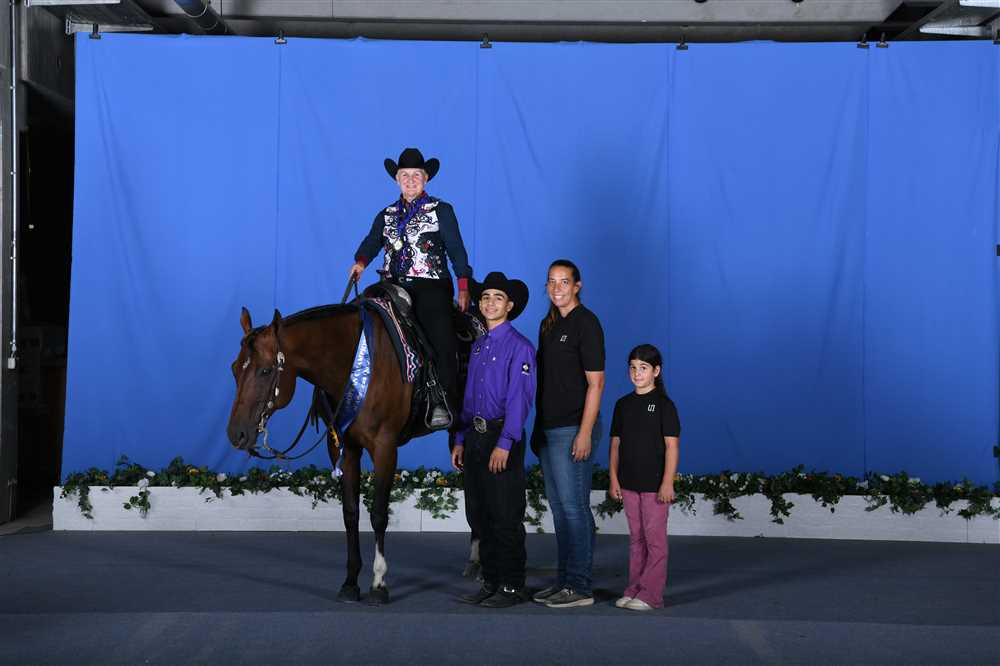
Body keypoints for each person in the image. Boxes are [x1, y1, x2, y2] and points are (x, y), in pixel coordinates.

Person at [350, 147, 472, 428]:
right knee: (364, 320)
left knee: (441, 337)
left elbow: (456, 249)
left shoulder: (441, 210)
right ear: (397, 180)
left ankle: (442, 399)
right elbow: (372, 241)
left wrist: (463, 284)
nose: (410, 180)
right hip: (392, 285)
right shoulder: (387, 214)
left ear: (426, 178)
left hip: (431, 285)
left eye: (416, 175)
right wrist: (360, 262)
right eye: (404, 175)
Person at [451, 271, 535, 608]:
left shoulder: (520, 347)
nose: (490, 303)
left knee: (505, 514)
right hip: (475, 435)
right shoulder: (479, 346)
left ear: (509, 305)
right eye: (485, 297)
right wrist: (460, 437)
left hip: (501, 437)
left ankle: (512, 585)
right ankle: (490, 580)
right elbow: (469, 396)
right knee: (480, 513)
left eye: (498, 298)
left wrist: (505, 442)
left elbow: (519, 400)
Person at [531, 259, 606, 608]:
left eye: (564, 281)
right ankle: (564, 580)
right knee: (560, 510)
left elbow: (596, 383)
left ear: (577, 286)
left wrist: (585, 432)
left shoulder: (586, 324)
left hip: (574, 427)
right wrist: (538, 428)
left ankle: (580, 586)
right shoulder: (548, 325)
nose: (557, 287)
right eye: (551, 281)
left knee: (575, 508)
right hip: (549, 428)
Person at [608, 344, 681, 611]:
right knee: (636, 539)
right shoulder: (622, 405)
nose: (637, 373)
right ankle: (634, 589)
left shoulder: (664, 406)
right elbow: (615, 445)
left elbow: (672, 446)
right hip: (629, 482)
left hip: (654, 484)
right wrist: (613, 478)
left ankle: (652, 595)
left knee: (655, 540)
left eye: (643, 368)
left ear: (656, 371)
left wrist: (667, 482)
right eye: (633, 367)